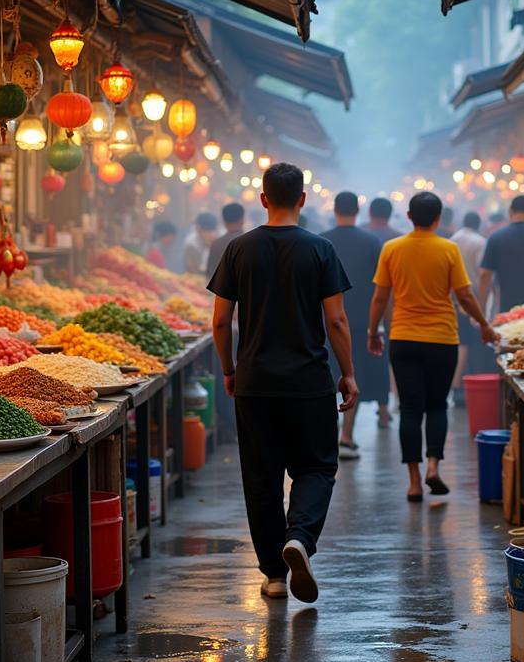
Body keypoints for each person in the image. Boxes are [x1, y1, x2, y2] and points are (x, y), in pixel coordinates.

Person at [208, 163, 358, 603]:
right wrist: (347, 373)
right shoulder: (320, 249)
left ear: (263, 199)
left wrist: (230, 369)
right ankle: (300, 538)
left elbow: (220, 321)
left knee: (261, 478)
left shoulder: (239, 249)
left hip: (254, 383)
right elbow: (336, 318)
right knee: (316, 467)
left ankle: (274, 575)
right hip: (309, 382)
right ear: (304, 200)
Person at [368, 192, 498, 502]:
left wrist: (374, 331)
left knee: (410, 409)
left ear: (410, 216)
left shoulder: (392, 249)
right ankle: (432, 467)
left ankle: (413, 482)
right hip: (441, 339)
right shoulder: (448, 248)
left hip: (403, 338)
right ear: (438, 219)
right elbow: (465, 296)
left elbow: (380, 297)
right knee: (437, 405)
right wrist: (483, 324)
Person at [321, 192, 388, 456]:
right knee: (353, 374)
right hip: (360, 321)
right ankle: (346, 434)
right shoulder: (371, 242)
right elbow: (381, 287)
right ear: (358, 211)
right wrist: (378, 325)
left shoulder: (321, 240)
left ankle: (329, 433)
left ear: (335, 210)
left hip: (325, 320)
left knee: (327, 375)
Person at [449, 211, 487, 408]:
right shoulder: (480, 242)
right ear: (478, 224)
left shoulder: (452, 240)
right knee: (466, 343)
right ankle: (458, 386)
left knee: (460, 341)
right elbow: (483, 273)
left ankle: (459, 385)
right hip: (471, 296)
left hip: (454, 297)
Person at [206, 202, 246, 280]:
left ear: (224, 222)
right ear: (242, 220)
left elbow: (210, 275)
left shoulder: (217, 244)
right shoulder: (253, 242)